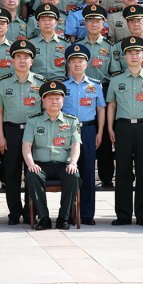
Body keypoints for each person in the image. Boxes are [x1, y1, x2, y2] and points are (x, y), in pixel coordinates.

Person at [107, 36, 143, 226]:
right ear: (124, 56)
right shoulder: (117, 79)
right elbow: (111, 105)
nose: (133, 56)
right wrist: (110, 127)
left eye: (137, 52)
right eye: (129, 53)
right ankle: (123, 215)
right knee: (122, 171)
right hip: (122, 127)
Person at [0, 40, 47, 225]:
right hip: (11, 132)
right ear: (12, 60)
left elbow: (45, 111)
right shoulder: (4, 82)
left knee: (32, 173)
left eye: (26, 57)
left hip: (34, 134)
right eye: (18, 57)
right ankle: (14, 213)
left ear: (32, 61)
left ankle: (30, 211)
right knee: (12, 175)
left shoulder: (40, 83)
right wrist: (0, 136)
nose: (22, 60)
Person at [23, 80, 82, 230]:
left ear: (63, 100)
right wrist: (31, 164)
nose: (54, 101)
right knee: (31, 176)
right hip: (41, 166)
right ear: (43, 101)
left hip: (63, 166)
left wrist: (73, 163)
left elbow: (75, 145)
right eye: (50, 98)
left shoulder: (72, 121)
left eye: (57, 98)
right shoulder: (33, 121)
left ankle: (63, 218)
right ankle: (44, 218)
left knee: (74, 176)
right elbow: (26, 146)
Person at [62, 43, 106, 225]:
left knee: (87, 172)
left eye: (81, 61)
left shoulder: (95, 85)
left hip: (88, 130)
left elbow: (101, 108)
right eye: (73, 61)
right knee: (69, 172)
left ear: (87, 63)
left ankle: (87, 214)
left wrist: (100, 131)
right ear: (69, 64)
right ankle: (68, 213)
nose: (77, 64)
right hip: (67, 131)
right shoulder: (62, 86)